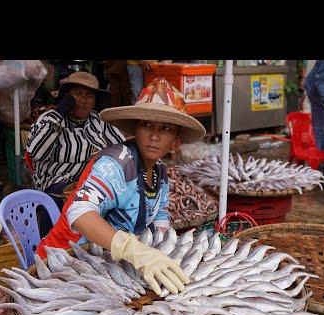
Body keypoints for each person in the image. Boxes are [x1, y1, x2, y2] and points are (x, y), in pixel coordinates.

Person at [36, 78, 206, 296]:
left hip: (104, 266)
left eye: (165, 128)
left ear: (176, 139)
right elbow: (79, 212)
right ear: (136, 128)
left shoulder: (160, 172)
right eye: (147, 125)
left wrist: (163, 251)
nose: (154, 136)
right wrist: (133, 250)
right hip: (64, 263)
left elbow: (160, 215)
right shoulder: (116, 164)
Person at [26, 71, 125, 232]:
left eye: (89, 96)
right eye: (77, 94)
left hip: (93, 185)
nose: (83, 100)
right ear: (67, 96)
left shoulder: (98, 121)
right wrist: (61, 112)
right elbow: (35, 151)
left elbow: (122, 150)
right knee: (65, 202)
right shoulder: (49, 118)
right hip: (56, 184)